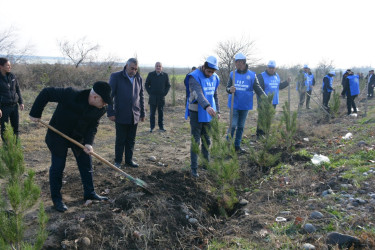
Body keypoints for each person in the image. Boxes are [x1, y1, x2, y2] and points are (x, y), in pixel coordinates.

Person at [29, 81, 112, 212]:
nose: (106, 104)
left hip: (79, 137)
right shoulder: (71, 94)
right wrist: (35, 112)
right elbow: (47, 92)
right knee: (58, 166)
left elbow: (93, 125)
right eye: (104, 101)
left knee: (86, 162)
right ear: (95, 97)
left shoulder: (101, 109)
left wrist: (89, 143)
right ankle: (57, 200)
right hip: (58, 135)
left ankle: (89, 193)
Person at [185, 56, 220, 177]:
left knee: (207, 140)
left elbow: (215, 95)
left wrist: (218, 111)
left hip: (209, 112)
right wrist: (207, 106)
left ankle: (206, 163)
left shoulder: (215, 77)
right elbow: (198, 94)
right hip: (196, 112)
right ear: (204, 67)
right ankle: (194, 169)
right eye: (208, 71)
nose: (210, 74)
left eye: (212, 72)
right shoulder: (194, 76)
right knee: (196, 140)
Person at [107, 58, 145, 169]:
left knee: (131, 139)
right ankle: (118, 161)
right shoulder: (116, 76)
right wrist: (110, 112)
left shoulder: (138, 78)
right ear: (126, 66)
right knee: (120, 139)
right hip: (121, 114)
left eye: (136, 69)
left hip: (135, 114)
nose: (134, 71)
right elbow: (110, 96)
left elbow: (141, 96)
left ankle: (129, 160)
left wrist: (142, 113)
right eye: (132, 68)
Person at [226, 53, 263, 153]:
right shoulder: (232, 74)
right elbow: (227, 88)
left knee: (241, 126)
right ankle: (227, 145)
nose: (237, 64)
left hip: (245, 105)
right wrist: (230, 89)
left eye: (239, 62)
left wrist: (265, 97)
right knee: (233, 125)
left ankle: (237, 146)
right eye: (236, 62)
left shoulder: (252, 75)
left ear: (244, 62)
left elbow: (258, 88)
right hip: (234, 104)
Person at [255, 60, 290, 137]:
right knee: (262, 118)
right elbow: (258, 89)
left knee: (269, 117)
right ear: (267, 67)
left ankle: (266, 132)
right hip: (264, 101)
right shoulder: (261, 76)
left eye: (273, 68)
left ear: (275, 68)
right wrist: (262, 101)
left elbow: (279, 86)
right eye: (270, 67)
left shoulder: (276, 75)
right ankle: (259, 134)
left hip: (274, 101)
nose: (271, 69)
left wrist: (286, 82)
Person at [0, 57, 24, 141]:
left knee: (16, 128)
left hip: (14, 106)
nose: (10, 67)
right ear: (1, 66)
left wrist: (21, 102)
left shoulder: (12, 76)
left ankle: (16, 146)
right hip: (3, 108)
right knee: (5, 129)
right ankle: (7, 148)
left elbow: (17, 89)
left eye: (10, 65)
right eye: (7, 65)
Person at [145, 62, 170, 132]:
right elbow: (146, 84)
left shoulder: (165, 75)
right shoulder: (151, 74)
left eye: (159, 66)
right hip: (152, 97)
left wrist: (164, 93)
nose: (158, 67)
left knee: (161, 113)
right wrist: (150, 92)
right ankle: (152, 127)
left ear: (161, 67)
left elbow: (168, 85)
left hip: (161, 97)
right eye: (157, 66)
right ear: (155, 67)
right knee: (152, 114)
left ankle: (161, 127)